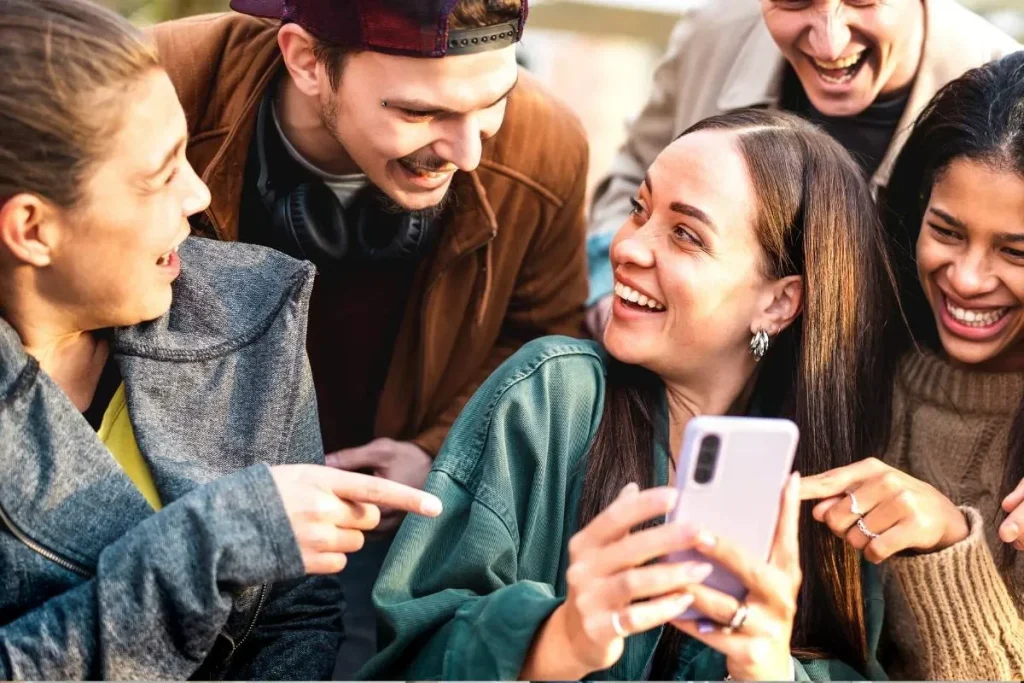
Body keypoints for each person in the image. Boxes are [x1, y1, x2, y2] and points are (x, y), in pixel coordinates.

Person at [359, 109, 899, 681]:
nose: (628, 248)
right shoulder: (549, 398)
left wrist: (772, 672)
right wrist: (557, 640)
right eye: (640, 209)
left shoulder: (828, 490)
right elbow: (408, 656)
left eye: (685, 235)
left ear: (778, 302)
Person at [0, 0, 441, 678]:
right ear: (32, 228)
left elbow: (300, 616)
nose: (200, 194)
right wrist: (207, 545)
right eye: (160, 174)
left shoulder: (254, 310)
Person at [148, 2, 588, 670]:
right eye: (418, 112)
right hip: (164, 510)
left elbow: (536, 337)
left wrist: (438, 452)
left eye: (495, 99)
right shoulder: (155, 89)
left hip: (383, 532)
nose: (470, 152)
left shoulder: (545, 144)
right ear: (305, 60)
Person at [584, 0, 1020, 337]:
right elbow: (634, 171)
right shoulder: (710, 34)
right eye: (794, 1)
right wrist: (610, 286)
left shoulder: (1006, 101)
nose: (829, 42)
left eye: (863, 1)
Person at [800, 52, 1024, 679]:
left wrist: (950, 541)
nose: (968, 278)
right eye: (947, 232)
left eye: (1017, 252)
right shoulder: (854, 352)